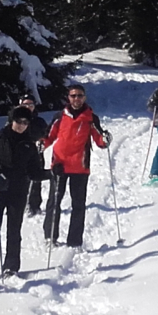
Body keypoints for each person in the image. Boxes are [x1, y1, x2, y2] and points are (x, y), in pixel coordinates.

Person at [0, 106, 44, 277]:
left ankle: (11, 266)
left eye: (25, 122)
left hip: (18, 191)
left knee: (14, 229)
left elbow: (35, 171)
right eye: (18, 121)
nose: (21, 125)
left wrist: (52, 173)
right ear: (11, 120)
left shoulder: (29, 144)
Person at [43, 83, 109, 253]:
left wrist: (106, 140)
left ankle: (74, 241)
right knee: (54, 202)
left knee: (78, 205)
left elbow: (99, 140)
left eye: (79, 95)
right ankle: (50, 236)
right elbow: (49, 136)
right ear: (68, 97)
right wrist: (40, 145)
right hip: (60, 164)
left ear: (84, 97)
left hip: (80, 166)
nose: (76, 99)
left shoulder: (90, 117)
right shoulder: (60, 116)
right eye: (73, 96)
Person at [15, 95, 50, 216]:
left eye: (31, 105)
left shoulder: (39, 121)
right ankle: (19, 204)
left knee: (36, 180)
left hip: (36, 154)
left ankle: (34, 205)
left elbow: (47, 136)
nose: (28, 107)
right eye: (25, 105)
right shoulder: (15, 119)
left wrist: (42, 143)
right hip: (19, 154)